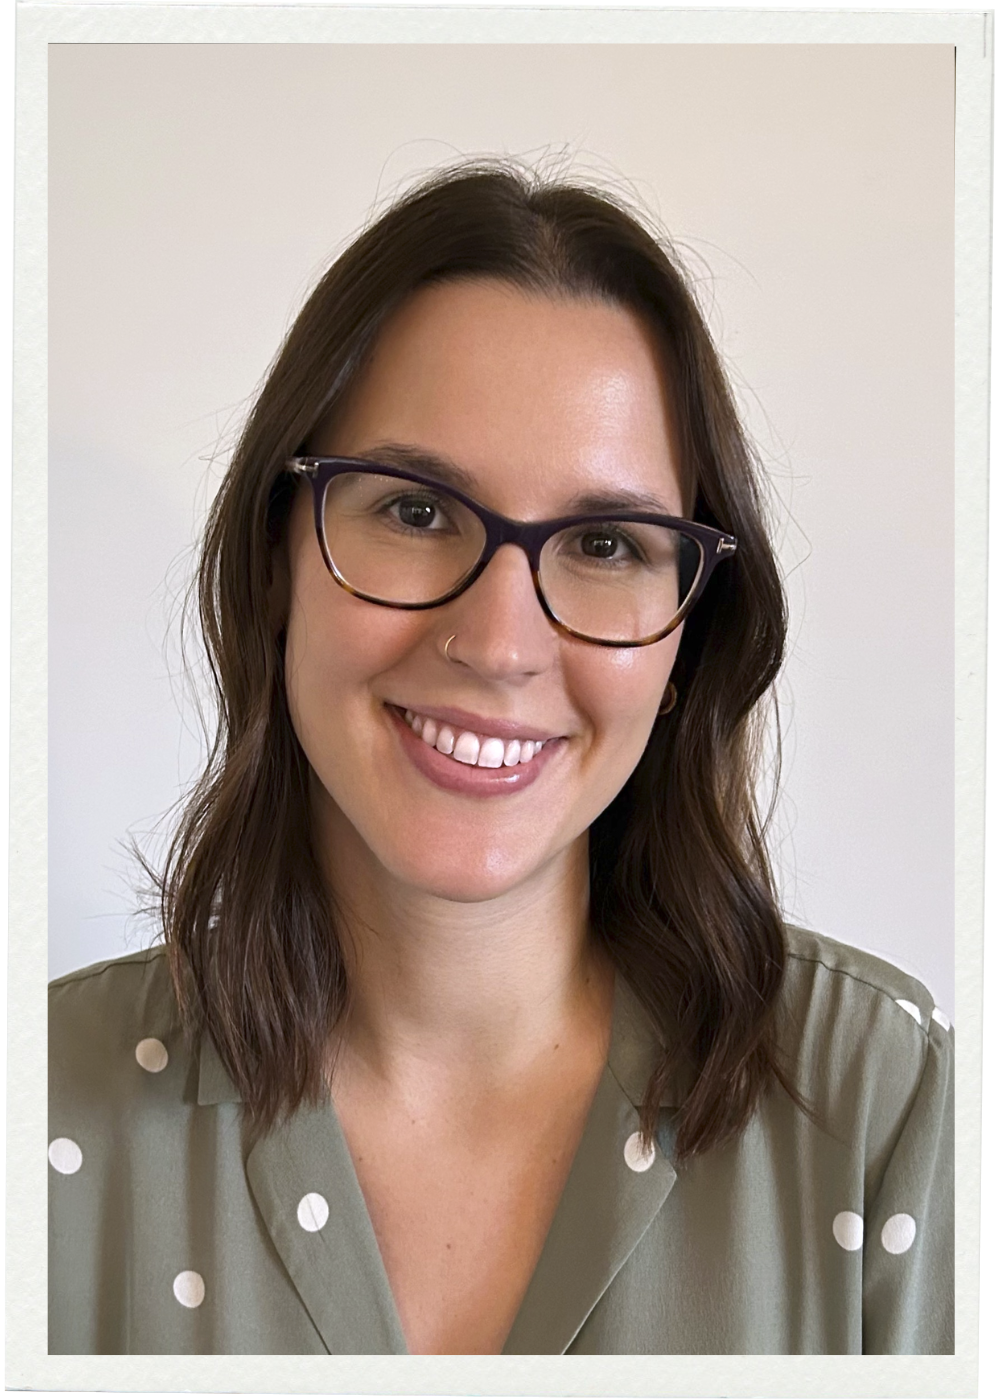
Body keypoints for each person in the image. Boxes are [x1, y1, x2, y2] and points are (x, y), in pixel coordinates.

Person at [48, 161, 954, 1356]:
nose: (498, 643)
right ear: (277, 564)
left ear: (687, 637)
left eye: (603, 541)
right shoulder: (41, 1113)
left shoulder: (884, 1100)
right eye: (417, 511)